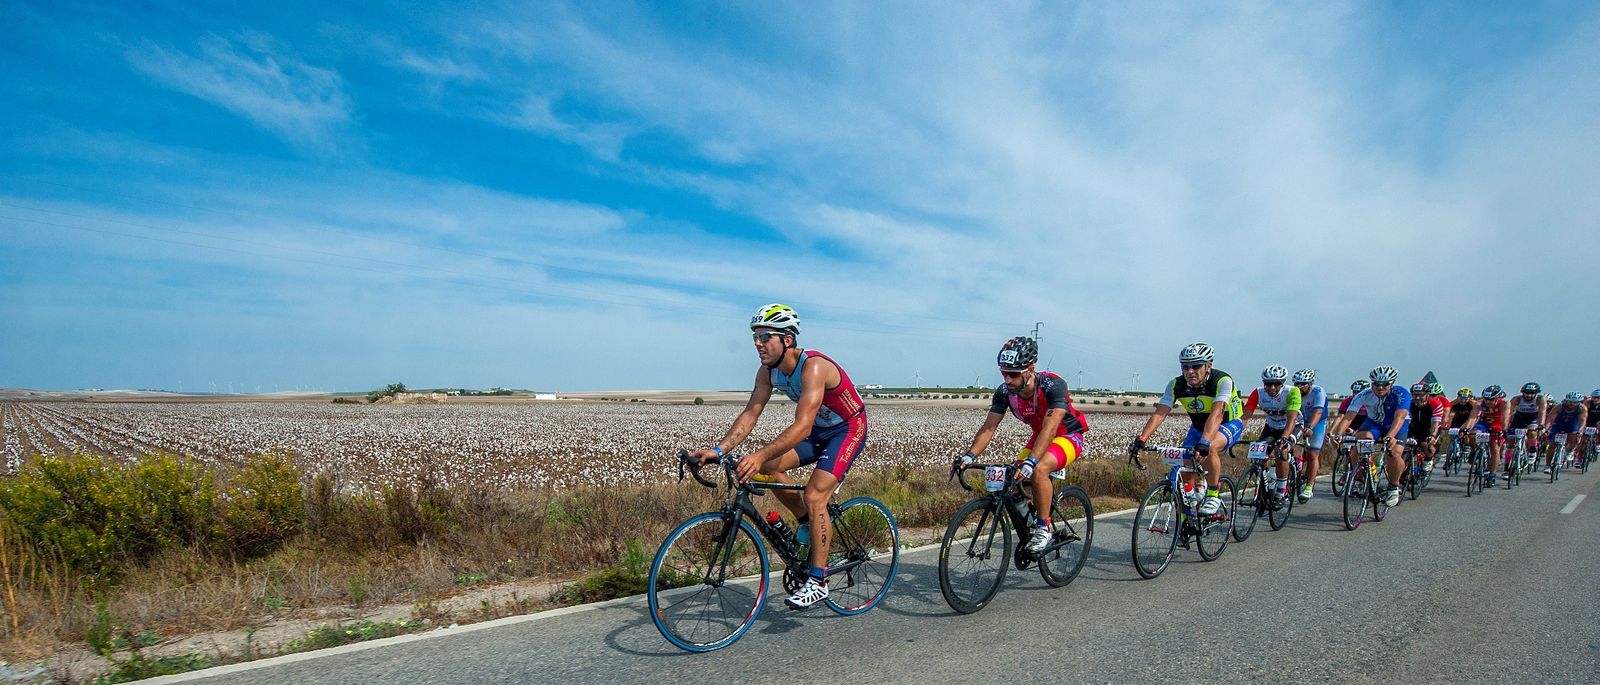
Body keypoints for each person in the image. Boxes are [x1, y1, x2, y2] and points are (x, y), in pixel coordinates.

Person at [691, 304, 867, 610]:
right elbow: (751, 412)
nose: (757, 343)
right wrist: (720, 450)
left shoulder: (813, 367)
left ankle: (819, 580)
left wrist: (758, 455)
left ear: (787, 339)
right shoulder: (767, 371)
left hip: (846, 430)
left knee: (815, 496)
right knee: (767, 470)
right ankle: (805, 522)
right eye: (755, 336)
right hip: (817, 431)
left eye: (765, 336)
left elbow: (801, 426)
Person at [958, 336, 1090, 553]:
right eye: (1003, 373)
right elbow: (988, 428)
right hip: (1040, 436)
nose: (1007, 380)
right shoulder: (1004, 393)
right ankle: (1031, 518)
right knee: (1012, 480)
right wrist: (968, 456)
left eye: (1013, 374)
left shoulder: (1052, 385)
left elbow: (1050, 428)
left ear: (1030, 369)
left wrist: (1031, 461)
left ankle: (1043, 528)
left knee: (1038, 469)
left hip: (1067, 435)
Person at [1129, 343, 1244, 517]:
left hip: (1227, 423)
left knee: (1210, 447)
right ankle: (1189, 514)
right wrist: (1142, 439)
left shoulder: (1222, 381)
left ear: (1209, 365)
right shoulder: (1176, 384)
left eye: (1196, 366)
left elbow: (1217, 413)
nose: (1190, 371)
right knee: (1183, 474)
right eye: (1185, 366)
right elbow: (1160, 414)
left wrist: (1204, 443)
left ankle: (1213, 493)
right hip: (1198, 427)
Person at [1329, 366, 1410, 507]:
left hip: (1395, 424)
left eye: (1384, 384)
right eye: (1376, 384)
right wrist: (1338, 435)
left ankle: (1393, 487)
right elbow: (1348, 417)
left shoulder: (1401, 393)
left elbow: (1400, 417)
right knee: (1360, 443)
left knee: (1394, 453)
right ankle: (1359, 476)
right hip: (1374, 423)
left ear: (1392, 383)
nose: (1380, 387)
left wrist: (1391, 436)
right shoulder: (1363, 395)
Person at [1240, 365, 1302, 506]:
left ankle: (1281, 491)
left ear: (1283, 383)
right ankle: (1266, 484)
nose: (1272, 387)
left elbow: (1292, 419)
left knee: (1281, 451)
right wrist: (1233, 434)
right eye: (1268, 384)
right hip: (1271, 427)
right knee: (1257, 455)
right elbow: (1246, 416)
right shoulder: (1258, 393)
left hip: (1293, 426)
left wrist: (1284, 438)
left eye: (1276, 384)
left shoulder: (1292, 392)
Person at [1291, 369, 1328, 502]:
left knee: (1312, 454)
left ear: (1310, 384)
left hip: (1316, 422)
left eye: (1303, 384)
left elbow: (1318, 412)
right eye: (1297, 384)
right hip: (1300, 420)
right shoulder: (1293, 391)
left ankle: (1309, 486)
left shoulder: (1318, 392)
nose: (1299, 387)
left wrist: (1311, 427)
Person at [1473, 385, 1509, 487]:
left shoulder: (1504, 403)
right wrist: (1466, 429)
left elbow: (1505, 417)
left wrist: (1504, 429)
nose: (1488, 402)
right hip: (1484, 423)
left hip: (1497, 424)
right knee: (1472, 435)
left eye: (1491, 399)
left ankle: (1492, 474)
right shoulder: (1479, 403)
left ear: (1498, 398)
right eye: (1486, 399)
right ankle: (1477, 452)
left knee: (1494, 449)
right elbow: (1472, 417)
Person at [1543, 392, 1588, 472]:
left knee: (1574, 435)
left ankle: (1570, 450)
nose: (1572, 404)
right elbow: (1550, 419)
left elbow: (1582, 421)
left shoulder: (1582, 408)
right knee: (1552, 444)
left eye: (1575, 402)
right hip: (1559, 424)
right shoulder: (1559, 407)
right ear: (1566, 401)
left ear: (1579, 402)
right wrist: (1546, 429)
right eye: (1570, 402)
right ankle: (1548, 465)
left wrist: (1580, 430)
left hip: (1573, 424)